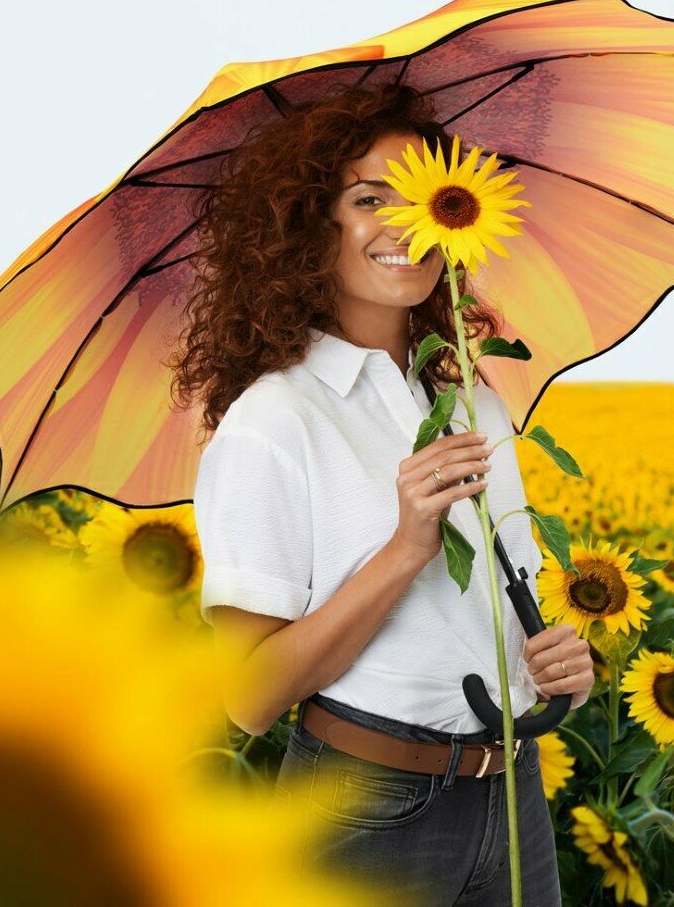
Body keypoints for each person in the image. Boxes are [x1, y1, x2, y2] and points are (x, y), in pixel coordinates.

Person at [174, 82, 590, 905]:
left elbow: (492, 611)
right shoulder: (275, 421)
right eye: (369, 199)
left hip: (510, 796)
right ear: (303, 226)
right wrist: (405, 549)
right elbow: (249, 699)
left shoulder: (476, 400)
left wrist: (557, 667)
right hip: (364, 808)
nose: (406, 225)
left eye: (424, 199)